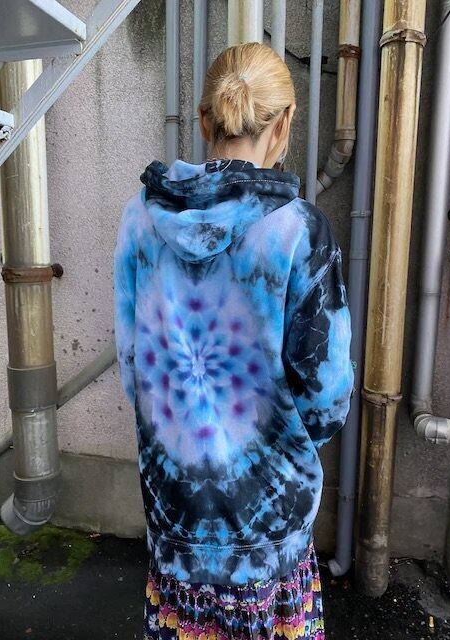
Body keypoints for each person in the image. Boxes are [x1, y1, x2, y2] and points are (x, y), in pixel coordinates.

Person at [113, 41, 354, 640]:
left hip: (175, 519)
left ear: (204, 120)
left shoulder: (139, 219)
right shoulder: (299, 231)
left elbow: (133, 368)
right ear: (285, 122)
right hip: (267, 531)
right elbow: (326, 401)